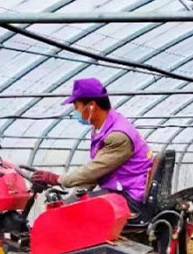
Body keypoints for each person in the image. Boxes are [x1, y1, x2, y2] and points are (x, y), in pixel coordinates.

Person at [33, 78, 154, 211]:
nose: (75, 111)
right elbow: (97, 172)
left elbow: (95, 169)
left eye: (76, 106)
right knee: (68, 207)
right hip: (122, 191)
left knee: (71, 215)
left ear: (91, 105)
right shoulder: (104, 127)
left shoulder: (118, 135)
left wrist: (58, 179)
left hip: (130, 197)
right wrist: (72, 198)